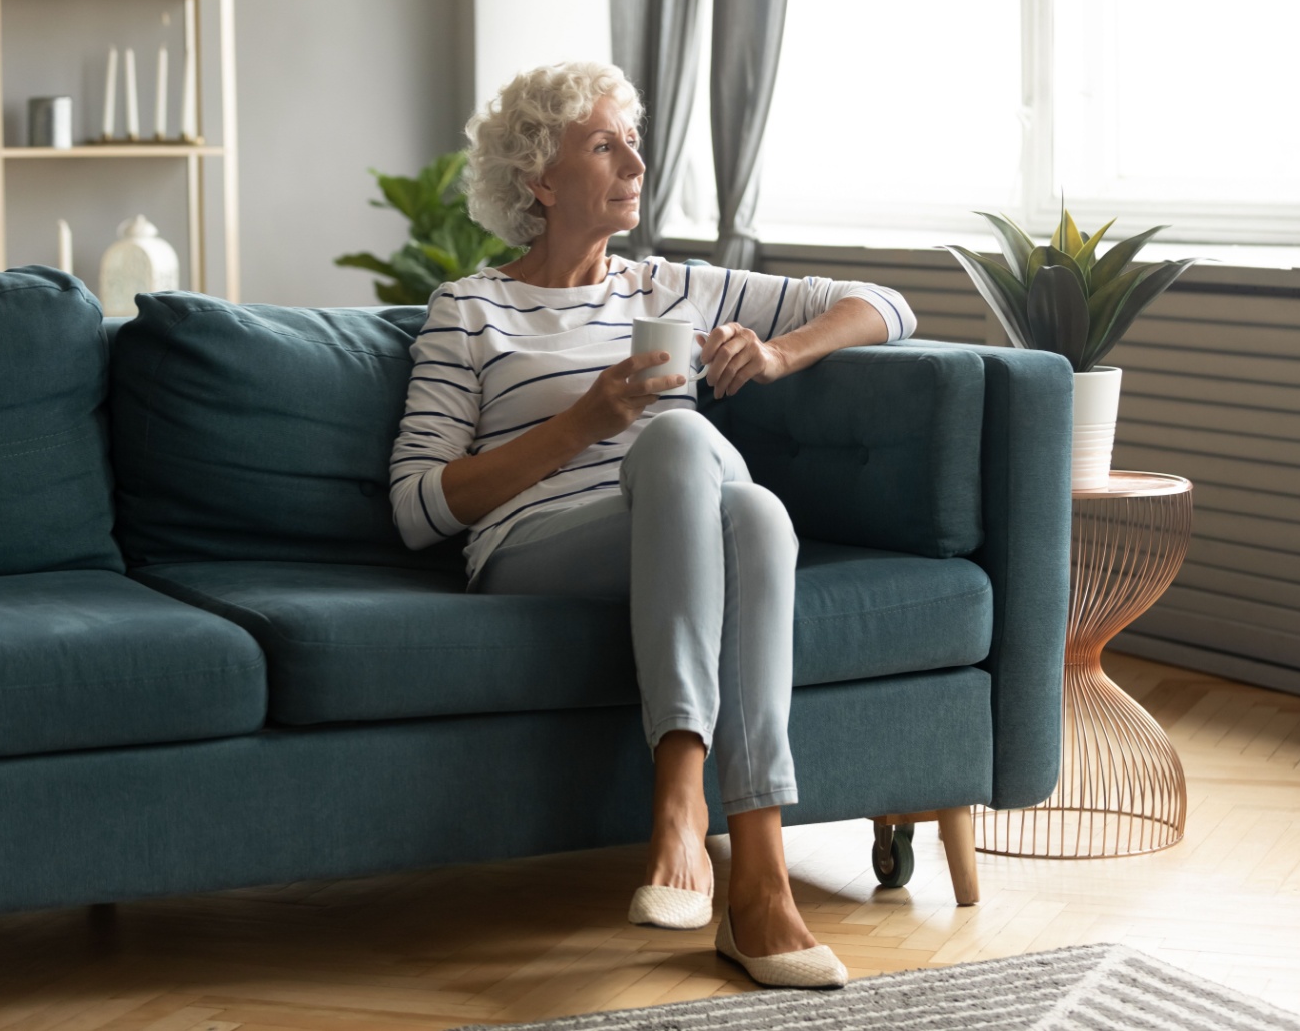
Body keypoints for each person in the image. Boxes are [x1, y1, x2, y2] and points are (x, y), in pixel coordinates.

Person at [389, 62, 915, 990]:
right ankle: (682, 798)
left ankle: (754, 881)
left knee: (748, 509)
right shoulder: (469, 310)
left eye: (633, 139)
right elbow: (420, 506)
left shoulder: (669, 286)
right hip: (536, 547)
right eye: (604, 143)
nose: (635, 157)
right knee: (687, 449)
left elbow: (888, 306)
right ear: (540, 181)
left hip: (680, 531)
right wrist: (583, 424)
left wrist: (776, 351)